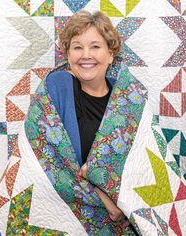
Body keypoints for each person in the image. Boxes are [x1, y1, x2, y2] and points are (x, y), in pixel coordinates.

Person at [44, 9, 136, 234]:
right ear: (68, 55)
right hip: (67, 217)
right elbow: (49, 159)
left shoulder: (129, 100)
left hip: (126, 218)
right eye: (77, 47)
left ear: (111, 54)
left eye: (95, 46)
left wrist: (119, 202)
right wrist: (106, 199)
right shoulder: (59, 88)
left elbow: (143, 163)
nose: (86, 55)